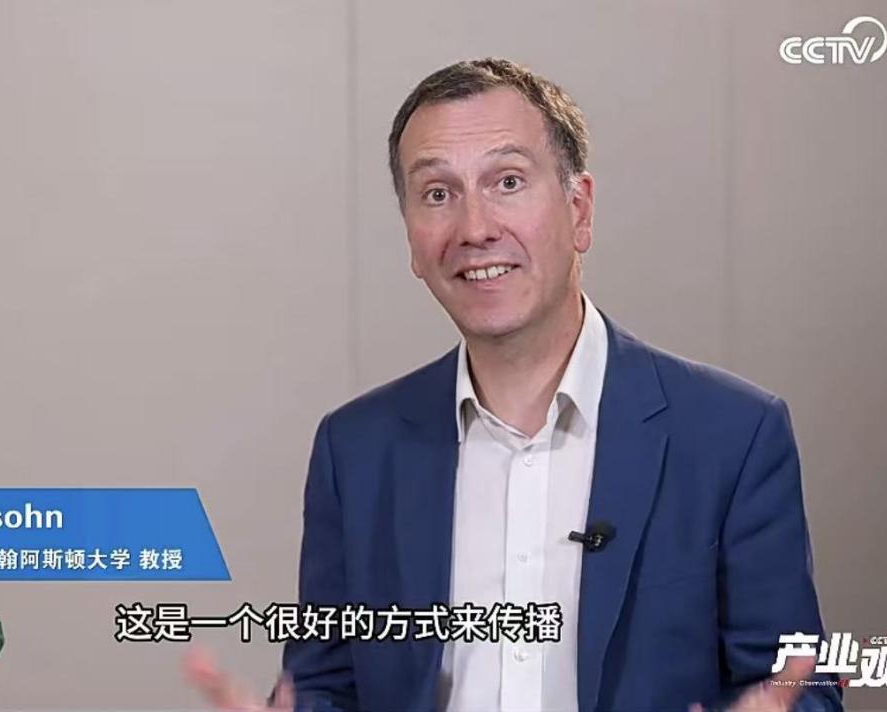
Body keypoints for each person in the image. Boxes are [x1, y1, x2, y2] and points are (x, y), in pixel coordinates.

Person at [185, 57, 840, 711]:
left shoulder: (732, 435)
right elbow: (325, 687)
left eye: (507, 182)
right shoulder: (355, 450)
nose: (474, 229)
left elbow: (801, 686)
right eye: (437, 194)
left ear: (579, 210)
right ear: (411, 239)